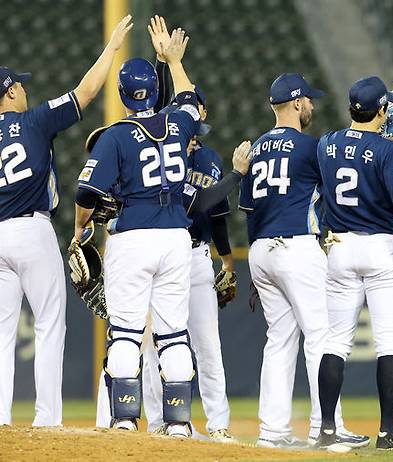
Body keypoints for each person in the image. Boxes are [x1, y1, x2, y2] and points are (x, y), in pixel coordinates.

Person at [0, 16, 133, 427]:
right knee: (49, 324)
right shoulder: (34, 121)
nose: (26, 89)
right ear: (12, 91)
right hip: (31, 231)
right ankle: (46, 419)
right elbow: (86, 92)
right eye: (21, 84)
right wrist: (111, 49)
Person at [73, 27, 208, 438]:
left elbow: (86, 191)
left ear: (121, 95)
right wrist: (174, 61)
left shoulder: (114, 136)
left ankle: (126, 419)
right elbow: (191, 102)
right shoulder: (178, 122)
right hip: (175, 239)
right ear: (154, 90)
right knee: (173, 333)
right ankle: (179, 424)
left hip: (133, 234)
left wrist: (80, 227)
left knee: (127, 330)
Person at [239, 73, 369, 449]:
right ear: (296, 104)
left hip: (261, 251)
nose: (312, 105)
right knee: (321, 338)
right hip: (297, 246)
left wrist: (255, 268)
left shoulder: (257, 148)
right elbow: (341, 186)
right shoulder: (311, 148)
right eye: (308, 100)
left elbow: (248, 209)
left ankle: (272, 432)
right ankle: (327, 427)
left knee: (278, 340)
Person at [315, 76, 393, 452]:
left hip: (339, 246)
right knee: (388, 340)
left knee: (335, 340)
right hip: (380, 247)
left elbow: (319, 194)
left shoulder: (326, 144)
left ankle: (327, 431)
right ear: (381, 110)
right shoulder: (386, 151)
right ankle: (386, 433)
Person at [136, 15, 237, 443]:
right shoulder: (163, 145)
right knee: (158, 346)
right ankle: (159, 422)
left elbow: (215, 215)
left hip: (197, 257)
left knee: (208, 346)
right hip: (167, 252)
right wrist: (162, 63)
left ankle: (218, 426)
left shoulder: (208, 156)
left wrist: (227, 258)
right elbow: (203, 200)